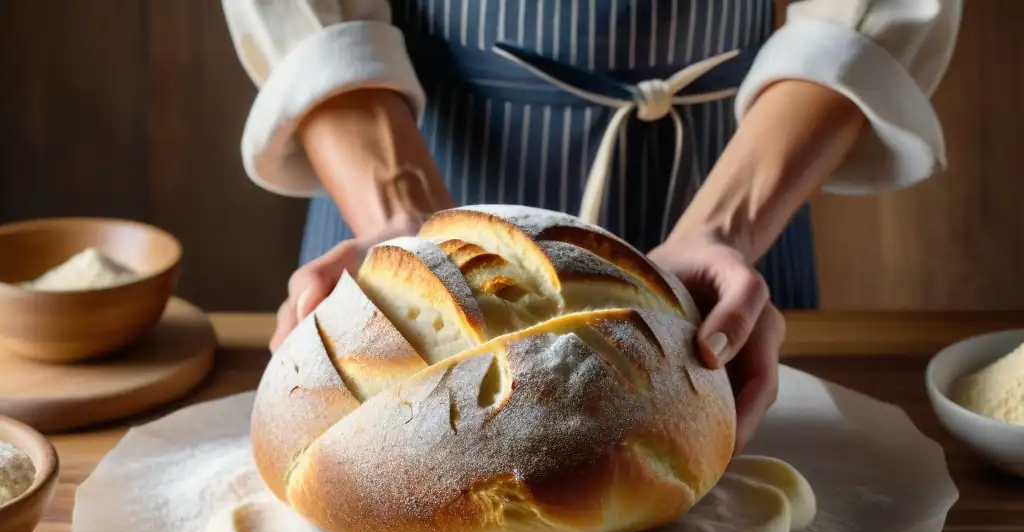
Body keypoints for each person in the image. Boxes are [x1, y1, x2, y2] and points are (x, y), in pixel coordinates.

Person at [222, 0, 962, 451]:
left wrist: (726, 230)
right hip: (391, 199)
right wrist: (397, 221)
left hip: (727, 193)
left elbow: (872, 11)